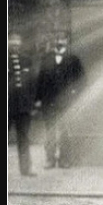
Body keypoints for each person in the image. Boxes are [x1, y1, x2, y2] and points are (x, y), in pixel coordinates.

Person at [34, 31, 85, 168]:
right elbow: (40, 80)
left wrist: (75, 94)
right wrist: (38, 99)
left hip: (66, 102)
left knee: (65, 131)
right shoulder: (46, 58)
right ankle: (50, 160)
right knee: (49, 132)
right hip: (48, 101)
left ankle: (65, 160)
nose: (59, 41)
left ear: (67, 40)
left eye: (62, 39)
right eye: (57, 38)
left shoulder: (73, 58)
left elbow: (81, 79)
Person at [8, 31, 36, 176]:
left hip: (23, 106)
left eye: (17, 40)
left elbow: (32, 84)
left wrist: (32, 103)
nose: (14, 43)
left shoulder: (27, 60)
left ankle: (26, 169)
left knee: (24, 138)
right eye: (11, 40)